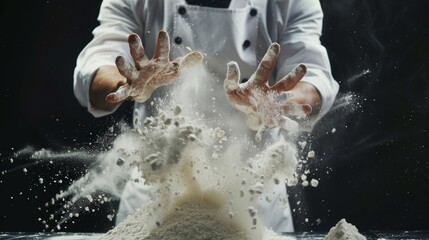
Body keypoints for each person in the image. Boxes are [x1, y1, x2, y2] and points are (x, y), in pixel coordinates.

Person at [73, 0, 339, 233]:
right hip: (155, 199)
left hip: (255, 203)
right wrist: (127, 82)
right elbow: (99, 62)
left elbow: (312, 74)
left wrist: (276, 102)